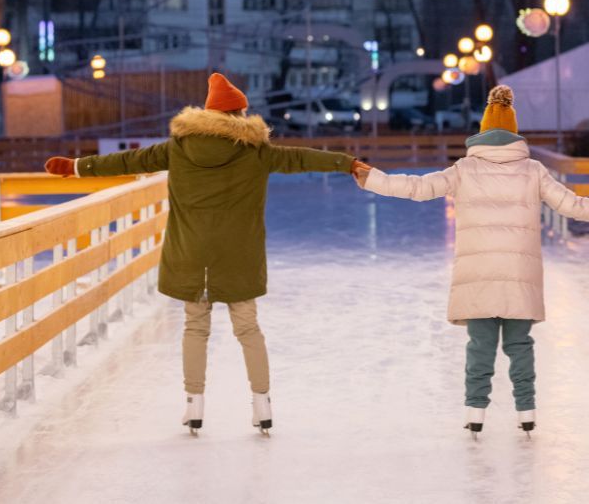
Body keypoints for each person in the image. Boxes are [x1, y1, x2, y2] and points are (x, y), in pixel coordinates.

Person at [44, 73, 361, 436]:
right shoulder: (256, 151)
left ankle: (194, 407)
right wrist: (346, 163)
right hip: (239, 255)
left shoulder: (177, 148)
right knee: (248, 328)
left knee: (195, 327)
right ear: (240, 114)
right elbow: (302, 158)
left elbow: (127, 161)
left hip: (191, 253)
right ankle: (262, 404)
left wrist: (76, 167)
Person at [352, 85, 589, 438]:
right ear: (514, 133)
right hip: (518, 275)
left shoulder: (464, 169)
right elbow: (571, 204)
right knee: (519, 345)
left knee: (480, 346)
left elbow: (418, 188)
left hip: (478, 275)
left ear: (482, 132)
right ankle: (526, 409)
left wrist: (373, 179)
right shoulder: (532, 170)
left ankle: (475, 411)